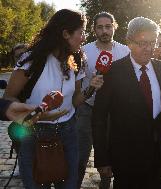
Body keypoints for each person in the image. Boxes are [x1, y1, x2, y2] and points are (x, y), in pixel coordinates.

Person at [4, 9, 103, 189]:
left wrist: (91, 89)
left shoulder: (78, 59)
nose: (84, 38)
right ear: (65, 34)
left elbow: (74, 101)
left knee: (70, 185)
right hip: (33, 134)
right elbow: (8, 97)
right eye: (81, 32)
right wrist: (31, 113)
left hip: (68, 132)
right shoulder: (32, 60)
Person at [92, 17, 161, 189]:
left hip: (158, 158)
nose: (149, 48)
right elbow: (99, 118)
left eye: (153, 42)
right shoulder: (112, 72)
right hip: (126, 159)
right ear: (129, 42)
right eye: (142, 43)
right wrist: (102, 159)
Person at [76, 12, 129, 189]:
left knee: (109, 152)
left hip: (114, 111)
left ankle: (105, 185)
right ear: (94, 30)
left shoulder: (125, 51)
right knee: (81, 153)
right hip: (87, 108)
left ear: (115, 27)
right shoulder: (83, 51)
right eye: (100, 27)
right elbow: (75, 84)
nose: (104, 31)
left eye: (108, 26)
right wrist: (90, 86)